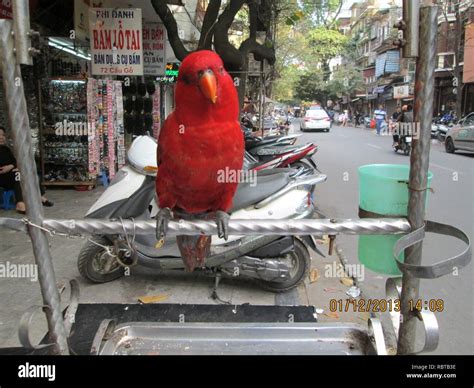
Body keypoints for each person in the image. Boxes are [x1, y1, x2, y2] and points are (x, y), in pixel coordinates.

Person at [0, 126, 53, 214]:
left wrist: (11, 166)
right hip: (2, 177)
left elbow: (14, 161)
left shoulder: (6, 149)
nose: (1, 137)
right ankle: (20, 203)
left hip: (11, 174)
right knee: (19, 174)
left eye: (3, 135)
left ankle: (39, 196)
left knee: (29, 170)